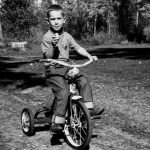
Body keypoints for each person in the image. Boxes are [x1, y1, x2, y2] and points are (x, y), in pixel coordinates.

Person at [41, 4, 103, 133]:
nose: (56, 22)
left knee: (83, 81)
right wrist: (53, 44)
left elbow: (78, 48)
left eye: (59, 18)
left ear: (64, 20)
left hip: (66, 67)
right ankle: (57, 123)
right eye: (53, 19)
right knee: (63, 92)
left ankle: (89, 109)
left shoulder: (67, 36)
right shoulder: (47, 37)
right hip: (53, 70)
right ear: (48, 21)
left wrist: (89, 56)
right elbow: (48, 56)